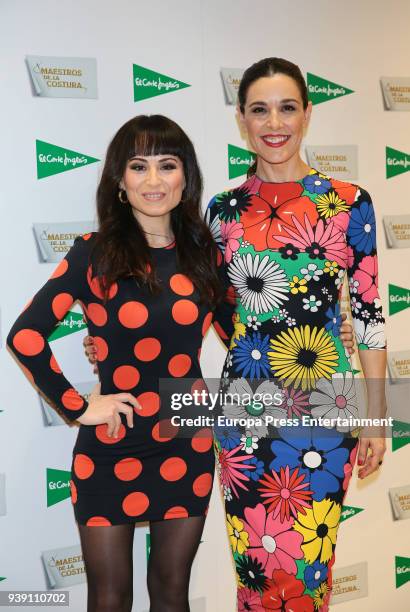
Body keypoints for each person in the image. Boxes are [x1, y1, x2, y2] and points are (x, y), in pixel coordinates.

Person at [6, 114, 234, 612]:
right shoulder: (94, 255)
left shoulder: (206, 257)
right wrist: (77, 406)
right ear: (120, 181)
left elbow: (250, 341)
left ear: (185, 178)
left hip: (185, 434)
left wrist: (333, 334)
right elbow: (24, 336)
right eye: (138, 166)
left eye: (167, 165)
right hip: (110, 444)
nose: (153, 181)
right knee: (109, 598)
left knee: (172, 592)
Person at [205, 57, 387, 611]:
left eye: (287, 107)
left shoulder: (349, 202)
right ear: (242, 119)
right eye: (259, 110)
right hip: (246, 412)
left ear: (307, 114)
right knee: (255, 570)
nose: (273, 122)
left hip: (327, 411)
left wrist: (377, 417)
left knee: (310, 565)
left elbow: (371, 314)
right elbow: (208, 309)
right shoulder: (222, 211)